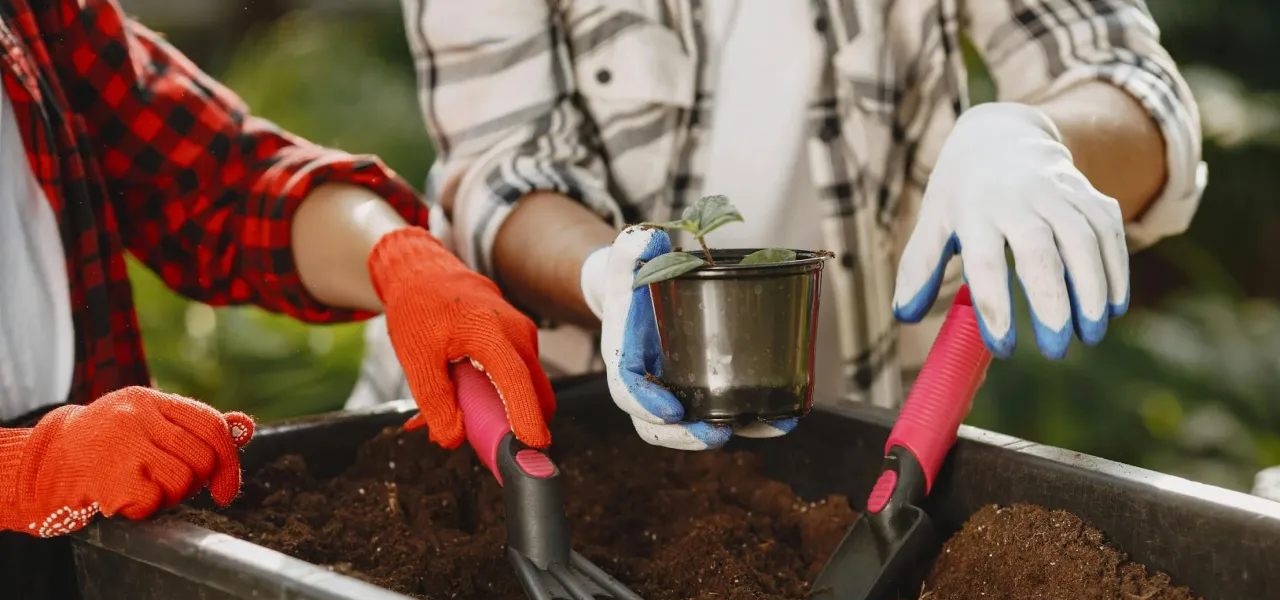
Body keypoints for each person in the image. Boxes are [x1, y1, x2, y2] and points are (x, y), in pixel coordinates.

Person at [0, 1, 554, 600]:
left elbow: (222, 182)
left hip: (84, 544)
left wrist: (397, 258)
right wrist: (24, 472)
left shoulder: (35, 18)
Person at [353, 0, 1201, 448]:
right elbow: (501, 165)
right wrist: (613, 280)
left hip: (849, 422)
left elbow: (1130, 81)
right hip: (530, 421)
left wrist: (1029, 138)